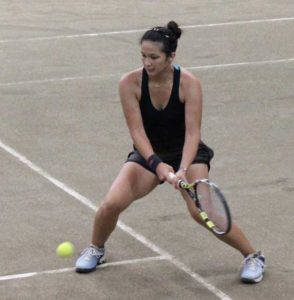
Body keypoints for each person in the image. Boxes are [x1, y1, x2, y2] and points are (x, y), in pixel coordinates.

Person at [75, 21, 265, 283]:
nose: (147, 62)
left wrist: (183, 170)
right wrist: (158, 165)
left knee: (202, 211)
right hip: (149, 153)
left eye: (154, 57)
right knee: (111, 204)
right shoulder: (130, 83)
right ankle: (96, 248)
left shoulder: (189, 84)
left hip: (187, 152)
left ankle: (253, 256)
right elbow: (137, 133)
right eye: (143, 56)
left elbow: (192, 134)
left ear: (171, 56)